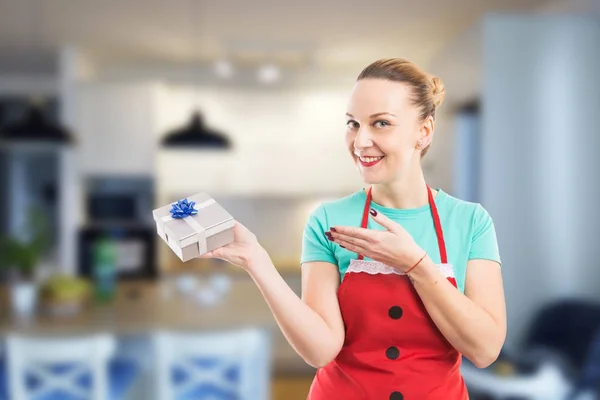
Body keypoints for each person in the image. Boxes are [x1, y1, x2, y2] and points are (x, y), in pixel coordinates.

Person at [201, 58, 506, 399]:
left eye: (381, 123)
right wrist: (257, 261)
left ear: (424, 132)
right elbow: (321, 350)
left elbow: (485, 350)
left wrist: (416, 266)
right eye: (353, 123)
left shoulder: (470, 221)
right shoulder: (328, 220)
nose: (360, 141)